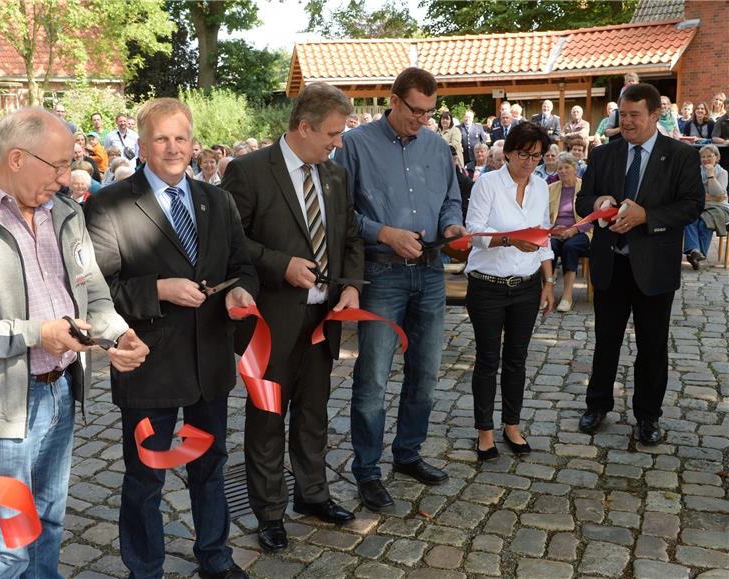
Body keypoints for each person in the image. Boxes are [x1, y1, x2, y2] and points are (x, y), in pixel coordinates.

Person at [0, 107, 149, 577]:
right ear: (15, 159)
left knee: (48, 524)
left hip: (61, 389)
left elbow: (94, 294)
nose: (67, 177)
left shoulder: (66, 213)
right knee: (7, 548)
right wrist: (34, 333)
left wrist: (118, 333)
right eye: (58, 165)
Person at [85, 97, 258, 579]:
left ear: (193, 143)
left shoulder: (217, 200)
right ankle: (145, 569)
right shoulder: (109, 204)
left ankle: (215, 558)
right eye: (161, 139)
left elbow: (242, 266)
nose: (173, 148)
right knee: (146, 476)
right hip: (149, 364)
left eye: (181, 138)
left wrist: (239, 291)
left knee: (211, 465)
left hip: (210, 361)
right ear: (142, 146)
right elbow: (97, 290)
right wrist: (159, 289)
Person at [221, 82, 364, 553]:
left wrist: (350, 285)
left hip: (323, 318)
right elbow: (229, 240)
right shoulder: (248, 172)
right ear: (304, 127)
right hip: (269, 322)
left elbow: (350, 238)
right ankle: (269, 512)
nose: (337, 142)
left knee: (313, 412)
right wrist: (279, 264)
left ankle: (313, 494)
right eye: (332, 134)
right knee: (267, 418)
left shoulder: (336, 175)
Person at [334, 67, 465, 510]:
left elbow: (451, 200)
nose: (423, 120)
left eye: (429, 112)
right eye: (415, 110)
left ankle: (408, 453)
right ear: (393, 100)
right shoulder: (354, 145)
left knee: (425, 374)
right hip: (380, 273)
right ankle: (367, 470)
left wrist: (452, 224)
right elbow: (338, 212)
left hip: (429, 272)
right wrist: (384, 233)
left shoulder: (437, 147)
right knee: (373, 377)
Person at [575, 83, 703, 445]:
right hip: (611, 264)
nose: (627, 122)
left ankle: (648, 416)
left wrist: (647, 216)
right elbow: (583, 201)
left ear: (655, 114)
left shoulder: (680, 155)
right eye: (623, 114)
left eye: (634, 115)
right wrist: (597, 202)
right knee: (606, 341)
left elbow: (692, 206)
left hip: (655, 268)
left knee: (652, 346)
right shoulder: (604, 154)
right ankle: (597, 405)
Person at [464, 122, 555, 461]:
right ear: (509, 153)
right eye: (524, 155)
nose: (530, 162)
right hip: (488, 285)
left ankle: (512, 425)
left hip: (526, 285)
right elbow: (474, 232)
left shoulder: (541, 186)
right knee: (488, 359)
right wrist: (509, 239)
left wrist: (548, 282)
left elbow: (543, 236)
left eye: (537, 156)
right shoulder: (487, 183)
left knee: (517, 359)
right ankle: (484, 431)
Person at [548, 152, 591, 312]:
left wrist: (574, 230)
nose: (563, 171)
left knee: (569, 247)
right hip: (555, 232)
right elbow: (543, 215)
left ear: (575, 168)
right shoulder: (551, 188)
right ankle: (547, 293)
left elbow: (592, 217)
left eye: (567, 167)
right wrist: (552, 229)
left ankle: (567, 296)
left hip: (582, 231)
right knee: (548, 247)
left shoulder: (585, 188)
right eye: (560, 168)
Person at [683, 144, 729, 269]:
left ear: (717, 157)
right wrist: (711, 197)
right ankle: (695, 252)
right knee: (690, 219)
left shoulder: (723, 173)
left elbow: (717, 193)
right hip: (698, 205)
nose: (705, 159)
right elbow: (691, 193)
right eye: (703, 157)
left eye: (709, 156)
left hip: (718, 208)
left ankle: (695, 254)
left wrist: (710, 174)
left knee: (705, 223)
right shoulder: (694, 172)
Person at [604, 72, 640, 143]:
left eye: (633, 81)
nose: (631, 83)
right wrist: (621, 129)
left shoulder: (641, 113)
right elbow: (606, 133)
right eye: (629, 81)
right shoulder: (615, 114)